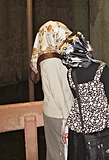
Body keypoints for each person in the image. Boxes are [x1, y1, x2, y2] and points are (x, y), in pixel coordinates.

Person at [60, 31, 109, 160]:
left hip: (77, 126)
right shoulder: (101, 68)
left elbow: (76, 96)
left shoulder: (71, 72)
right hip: (96, 126)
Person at [30, 20, 74, 160]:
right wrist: (68, 116)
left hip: (56, 111)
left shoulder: (52, 57)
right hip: (58, 113)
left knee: (57, 150)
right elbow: (58, 91)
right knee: (58, 152)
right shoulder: (51, 60)